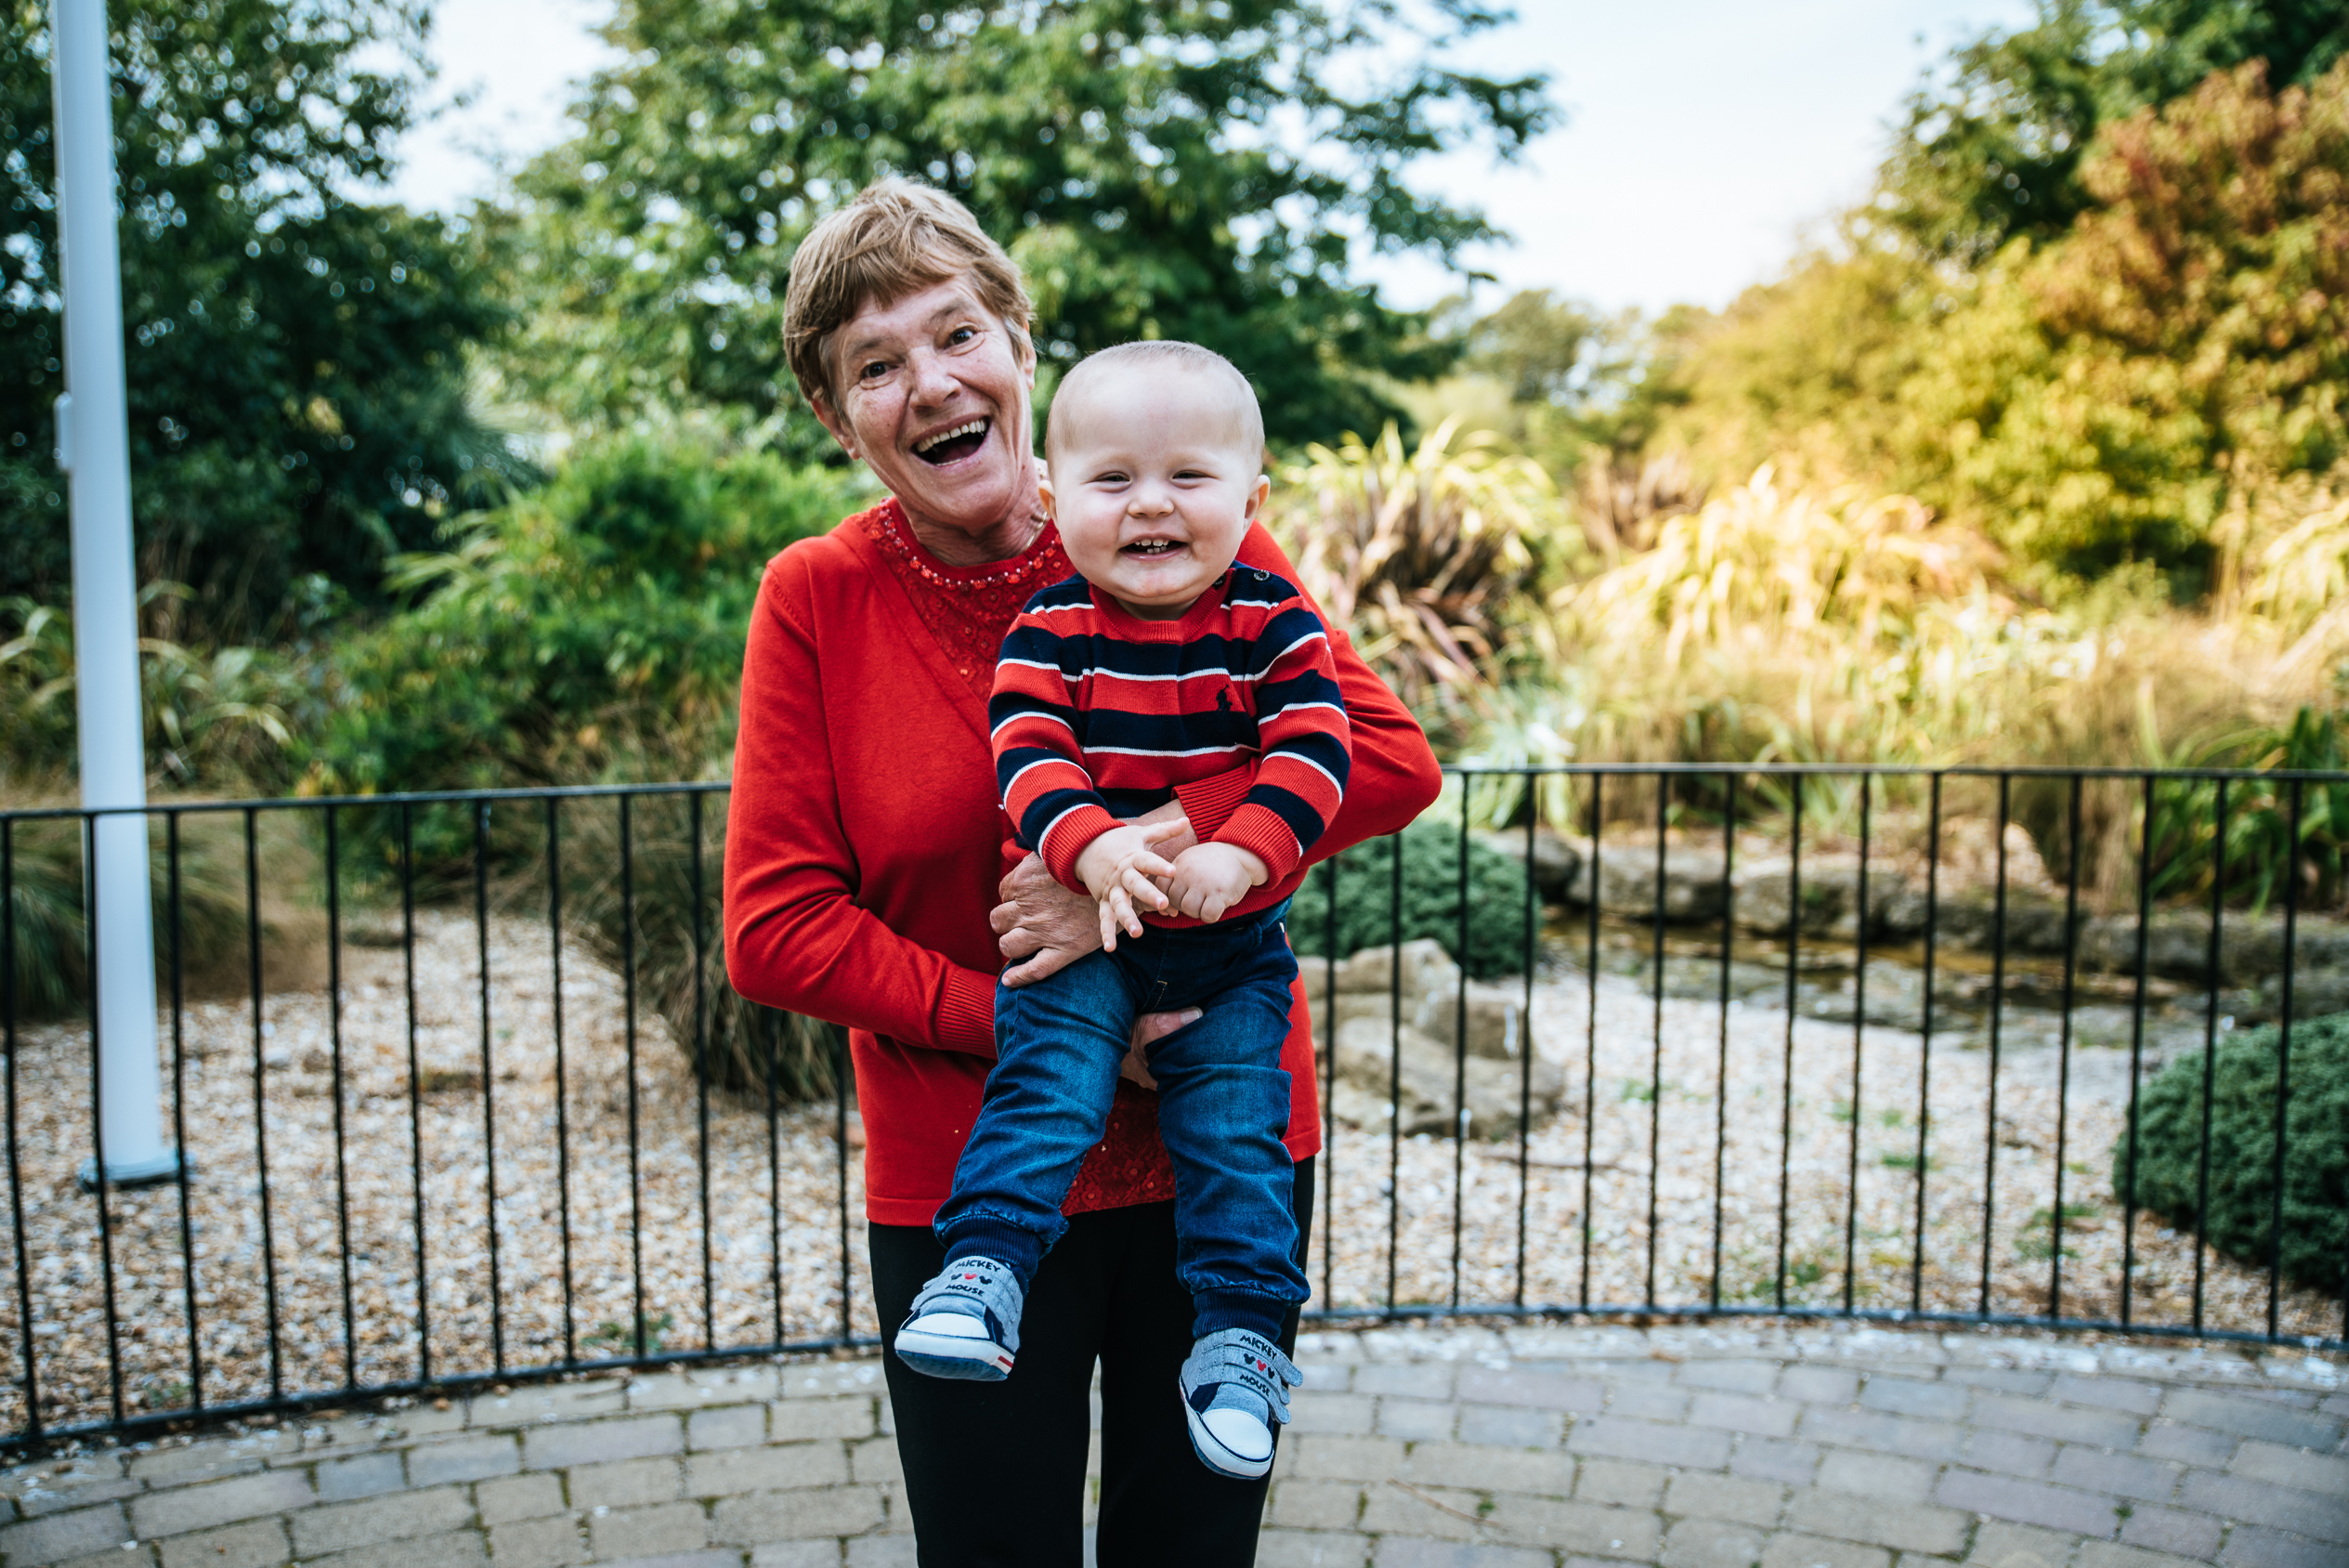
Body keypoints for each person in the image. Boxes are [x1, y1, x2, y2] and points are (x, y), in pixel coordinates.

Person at [723, 176, 1441, 1567]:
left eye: (957, 334)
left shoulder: (1165, 517)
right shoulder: (817, 596)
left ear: (1019, 344)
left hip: (1221, 1144)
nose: (932, 382)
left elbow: (1386, 757)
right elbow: (776, 926)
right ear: (836, 416)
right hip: (974, 1176)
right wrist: (1048, 1024)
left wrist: (1133, 855)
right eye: (876, 365)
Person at [893, 342, 1347, 1483]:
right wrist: (1092, 848)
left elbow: (1318, 747)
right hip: (1090, 942)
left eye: (1188, 476)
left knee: (1237, 1132)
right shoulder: (1049, 630)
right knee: (1044, 1088)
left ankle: (1241, 1340)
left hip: (1232, 955)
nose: (1151, 502)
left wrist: (1243, 846)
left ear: (1254, 499)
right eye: (1114, 479)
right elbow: (1029, 755)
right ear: (1056, 498)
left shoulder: (1276, 621)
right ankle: (984, 1269)